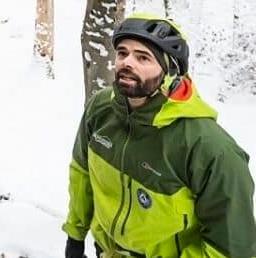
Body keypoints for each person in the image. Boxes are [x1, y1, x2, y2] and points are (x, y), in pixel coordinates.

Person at [62, 14, 256, 258]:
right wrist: (75, 236)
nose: (127, 62)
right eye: (122, 53)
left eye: (143, 57)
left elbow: (231, 249)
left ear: (171, 71)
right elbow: (82, 174)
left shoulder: (209, 148)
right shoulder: (101, 108)